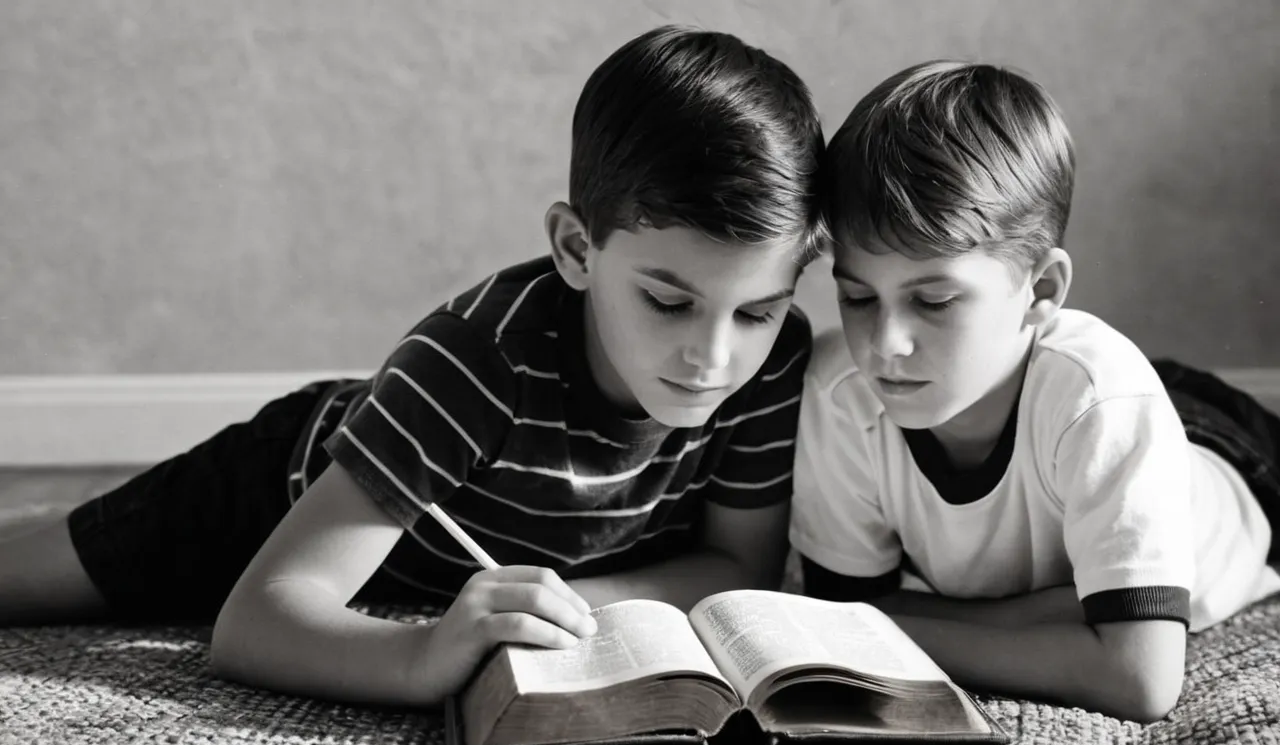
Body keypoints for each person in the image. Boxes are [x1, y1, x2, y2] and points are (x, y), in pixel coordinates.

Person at [0, 25, 829, 708]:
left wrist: (554, 608)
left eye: (755, 310)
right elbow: (255, 625)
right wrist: (424, 655)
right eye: (667, 302)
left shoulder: (776, 357)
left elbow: (738, 566)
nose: (714, 358)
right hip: (278, 489)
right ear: (577, 248)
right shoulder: (474, 361)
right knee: (28, 578)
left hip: (457, 545)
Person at [790, 60, 1280, 723]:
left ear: (1042, 291)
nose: (885, 345)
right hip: (1055, 401)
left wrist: (898, 626)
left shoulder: (1105, 402)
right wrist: (1061, 618)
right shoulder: (841, 393)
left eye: (932, 301)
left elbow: (1140, 679)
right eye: (856, 297)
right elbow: (843, 611)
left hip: (1224, 454)